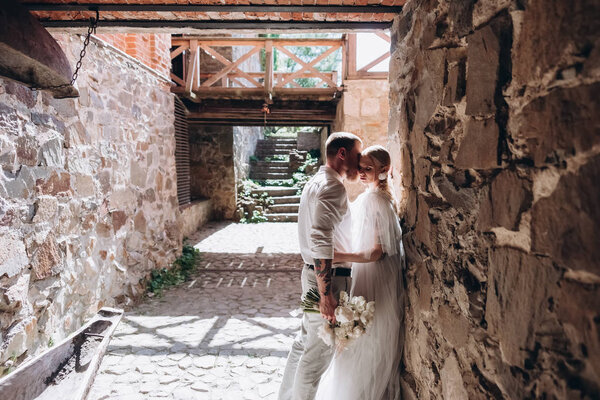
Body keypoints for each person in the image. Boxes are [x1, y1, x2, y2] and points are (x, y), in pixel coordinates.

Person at [315, 145, 406, 400]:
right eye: (361, 167)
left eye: (368, 168)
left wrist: (337, 256)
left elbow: (377, 252)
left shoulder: (376, 200)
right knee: (362, 340)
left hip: (375, 277)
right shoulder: (376, 197)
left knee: (366, 341)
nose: (362, 172)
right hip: (370, 274)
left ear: (384, 171)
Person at [278, 132, 363, 400]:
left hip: (311, 274)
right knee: (317, 355)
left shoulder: (314, 182)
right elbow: (321, 237)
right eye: (357, 155)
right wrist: (326, 295)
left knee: (304, 343)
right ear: (342, 154)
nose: (360, 163)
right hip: (328, 279)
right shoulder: (333, 187)